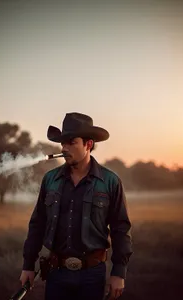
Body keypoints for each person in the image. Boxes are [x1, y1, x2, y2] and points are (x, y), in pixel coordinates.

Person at [20, 112, 133, 300]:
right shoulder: (50, 180)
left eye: (71, 142)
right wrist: (28, 265)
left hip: (92, 274)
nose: (64, 148)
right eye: (62, 143)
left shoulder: (110, 181)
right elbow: (37, 224)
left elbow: (121, 228)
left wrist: (119, 272)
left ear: (88, 145)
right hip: (57, 272)